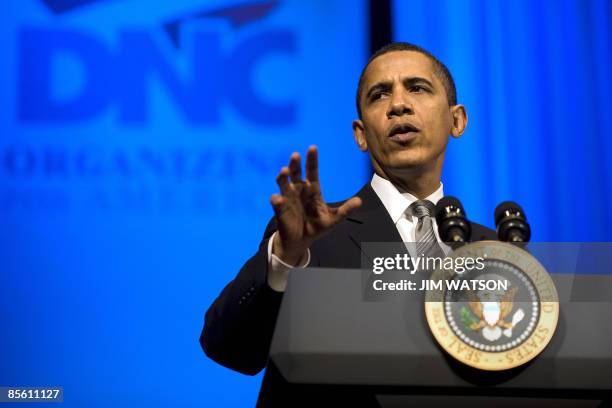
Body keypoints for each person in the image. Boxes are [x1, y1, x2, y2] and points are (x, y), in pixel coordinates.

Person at [200, 42, 496, 406]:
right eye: (380, 95)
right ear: (360, 134)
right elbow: (230, 349)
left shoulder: (494, 250)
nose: (399, 104)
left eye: (417, 88)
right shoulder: (313, 236)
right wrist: (285, 261)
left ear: (457, 120)